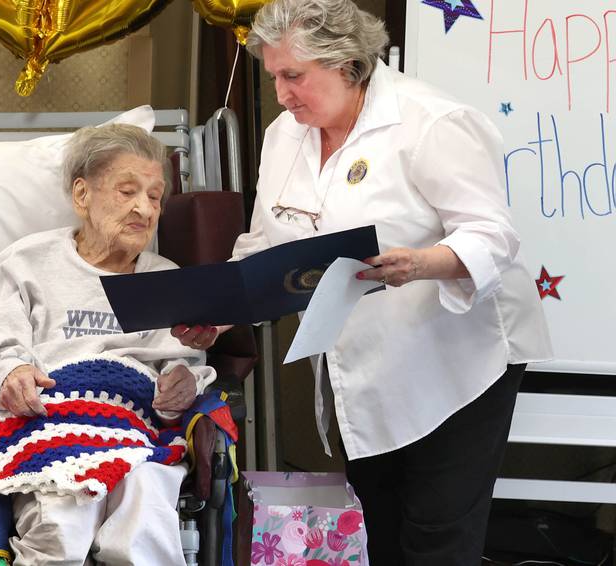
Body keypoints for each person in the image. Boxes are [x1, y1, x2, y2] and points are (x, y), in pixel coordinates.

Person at [172, 0, 553, 564]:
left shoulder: (431, 122)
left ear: (348, 63)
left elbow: (493, 235)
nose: (280, 94)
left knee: (437, 532)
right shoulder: (285, 137)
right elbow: (263, 248)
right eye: (274, 75)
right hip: (363, 367)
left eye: (293, 76)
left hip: (457, 359)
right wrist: (220, 313)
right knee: (378, 523)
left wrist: (421, 263)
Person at [0, 123, 216, 566]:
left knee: (146, 513)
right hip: (53, 434)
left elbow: (181, 368)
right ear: (82, 195)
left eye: (155, 196)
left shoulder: (168, 279)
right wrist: (10, 370)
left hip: (137, 437)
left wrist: (179, 386)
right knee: (60, 529)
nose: (144, 208)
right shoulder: (28, 262)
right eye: (127, 191)